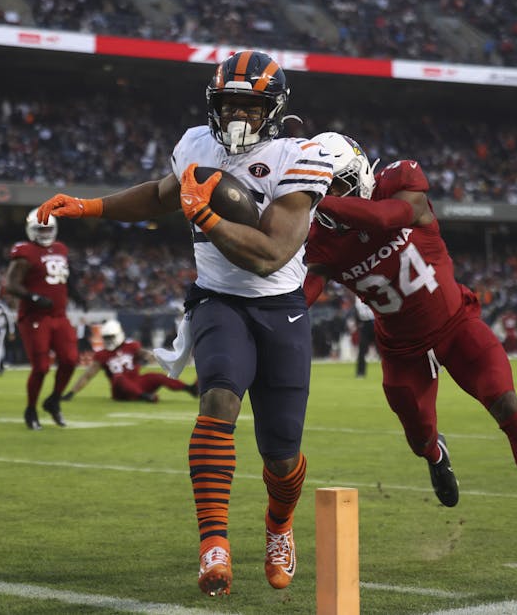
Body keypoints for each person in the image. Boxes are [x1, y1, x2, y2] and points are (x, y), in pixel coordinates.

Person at [37, 50, 331, 596]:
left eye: (251, 106)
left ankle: (278, 525)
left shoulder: (299, 156)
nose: (238, 117)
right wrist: (88, 206)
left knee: (282, 452)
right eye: (230, 105)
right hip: (217, 300)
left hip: (280, 307)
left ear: (274, 108)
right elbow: (159, 195)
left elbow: (271, 253)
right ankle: (213, 546)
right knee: (217, 397)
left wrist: (208, 216)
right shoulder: (196, 143)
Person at [303, 131, 517, 566]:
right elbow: (302, 292)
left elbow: (390, 217)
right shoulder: (322, 241)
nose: (329, 198)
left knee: (509, 407)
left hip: (458, 325)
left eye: (336, 187)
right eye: (319, 190)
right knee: (419, 436)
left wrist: (316, 201)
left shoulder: (398, 183)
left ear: (361, 174)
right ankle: (436, 452)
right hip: (402, 352)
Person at [4, 209, 83, 430]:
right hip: (34, 317)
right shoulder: (25, 251)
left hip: (59, 315)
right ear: (32, 229)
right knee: (41, 367)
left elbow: (63, 278)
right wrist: (33, 297)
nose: (45, 232)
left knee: (70, 360)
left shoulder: (60, 249)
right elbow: (10, 284)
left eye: (48, 228)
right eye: (41, 229)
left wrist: (77, 294)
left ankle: (54, 400)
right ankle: (31, 409)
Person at [62, 319, 198, 403]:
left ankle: (189, 389)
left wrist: (150, 356)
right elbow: (88, 375)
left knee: (156, 376)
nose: (109, 340)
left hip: (136, 382)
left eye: (111, 337)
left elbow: (146, 355)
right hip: (120, 390)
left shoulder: (132, 346)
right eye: (106, 337)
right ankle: (144, 396)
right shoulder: (102, 354)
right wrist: (71, 392)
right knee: (119, 378)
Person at [353, 296, 375, 378]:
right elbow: (356, 310)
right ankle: (360, 372)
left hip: (375, 322)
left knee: (384, 350)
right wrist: (358, 322)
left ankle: (393, 372)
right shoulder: (357, 298)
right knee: (362, 350)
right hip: (365, 324)